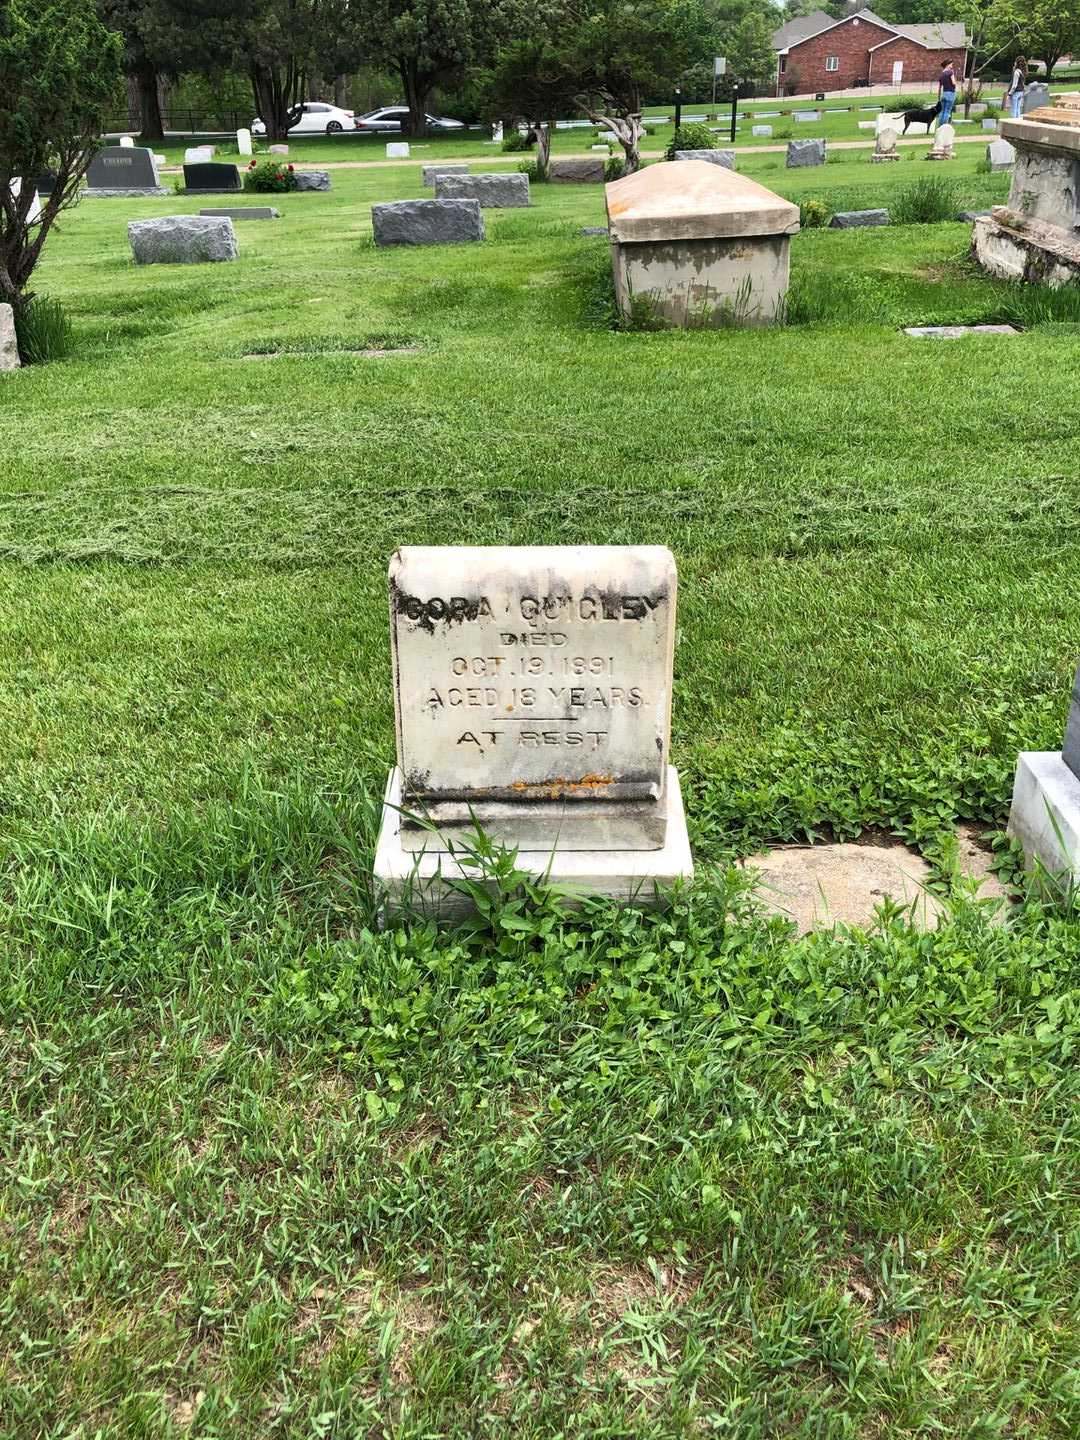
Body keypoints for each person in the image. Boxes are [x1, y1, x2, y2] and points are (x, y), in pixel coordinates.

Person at [937, 61, 958, 128]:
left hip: (944, 94)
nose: (952, 66)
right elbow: (954, 83)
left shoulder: (941, 75)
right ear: (947, 65)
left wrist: (939, 97)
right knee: (947, 111)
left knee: (942, 111)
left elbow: (940, 88)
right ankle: (944, 126)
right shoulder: (950, 72)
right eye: (951, 64)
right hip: (950, 93)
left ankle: (939, 126)